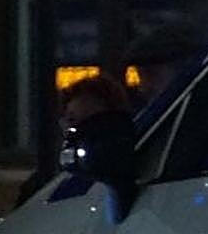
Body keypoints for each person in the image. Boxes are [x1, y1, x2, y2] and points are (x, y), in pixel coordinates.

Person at [15, 73, 133, 207]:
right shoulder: (41, 185)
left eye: (92, 121)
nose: (79, 129)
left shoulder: (119, 178)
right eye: (72, 120)